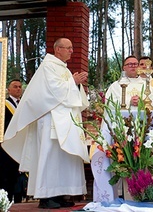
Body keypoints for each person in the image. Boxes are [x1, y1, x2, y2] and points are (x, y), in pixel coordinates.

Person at [1, 38, 90, 209]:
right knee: (49, 158)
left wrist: (75, 84)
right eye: (68, 48)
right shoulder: (48, 66)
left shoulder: (61, 68)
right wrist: (73, 82)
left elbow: (68, 93)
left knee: (64, 158)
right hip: (50, 121)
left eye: (72, 48)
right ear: (58, 49)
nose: (72, 51)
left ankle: (62, 193)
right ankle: (46, 196)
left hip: (64, 122)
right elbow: (53, 91)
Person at [0, 79, 23, 203]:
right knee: (6, 174)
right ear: (9, 89)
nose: (18, 89)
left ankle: (15, 200)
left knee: (15, 175)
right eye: (15, 86)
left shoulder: (22, 105)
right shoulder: (4, 104)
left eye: (20, 87)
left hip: (19, 144)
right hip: (6, 144)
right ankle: (5, 200)